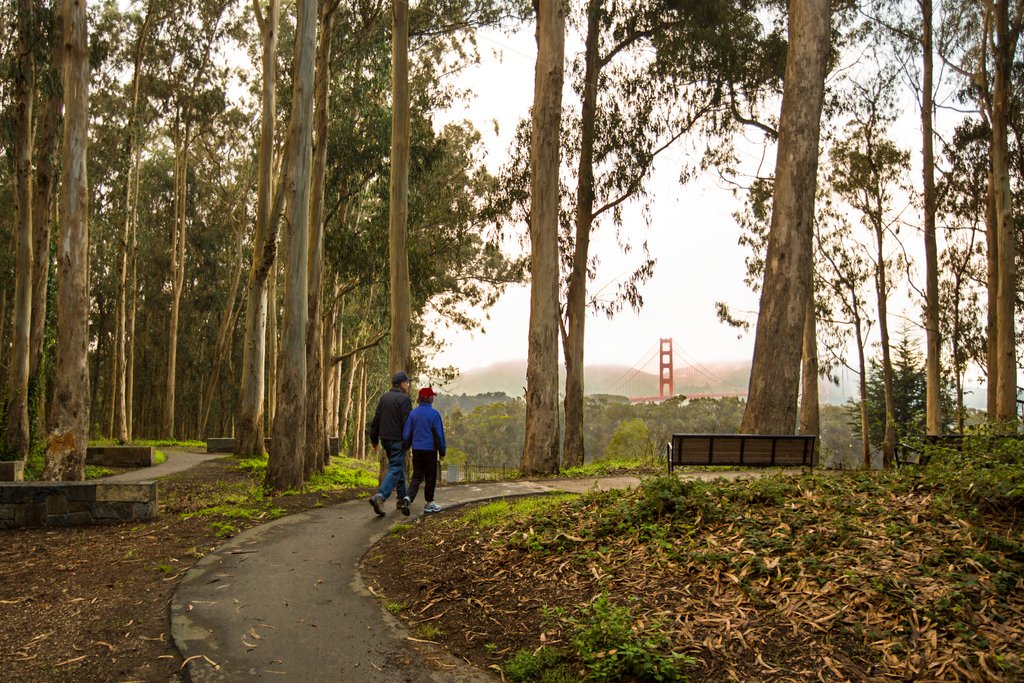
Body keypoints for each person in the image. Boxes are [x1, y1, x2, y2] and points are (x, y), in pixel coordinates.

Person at [367, 371, 413, 517]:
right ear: (401, 384)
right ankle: (380, 497)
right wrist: (408, 442)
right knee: (395, 468)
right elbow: (408, 424)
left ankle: (401, 499)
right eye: (407, 382)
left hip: (385, 439)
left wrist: (374, 440)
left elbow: (376, 420)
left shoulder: (384, 397)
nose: (408, 385)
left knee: (397, 467)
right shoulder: (405, 399)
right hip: (398, 440)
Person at [401, 386, 446, 514]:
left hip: (416, 449)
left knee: (417, 475)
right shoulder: (434, 414)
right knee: (430, 476)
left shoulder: (413, 414)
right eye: (432, 396)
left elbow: (406, 434)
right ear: (429, 398)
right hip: (430, 449)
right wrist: (442, 451)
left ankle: (408, 497)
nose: (433, 398)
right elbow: (439, 435)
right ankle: (429, 503)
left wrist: (407, 445)